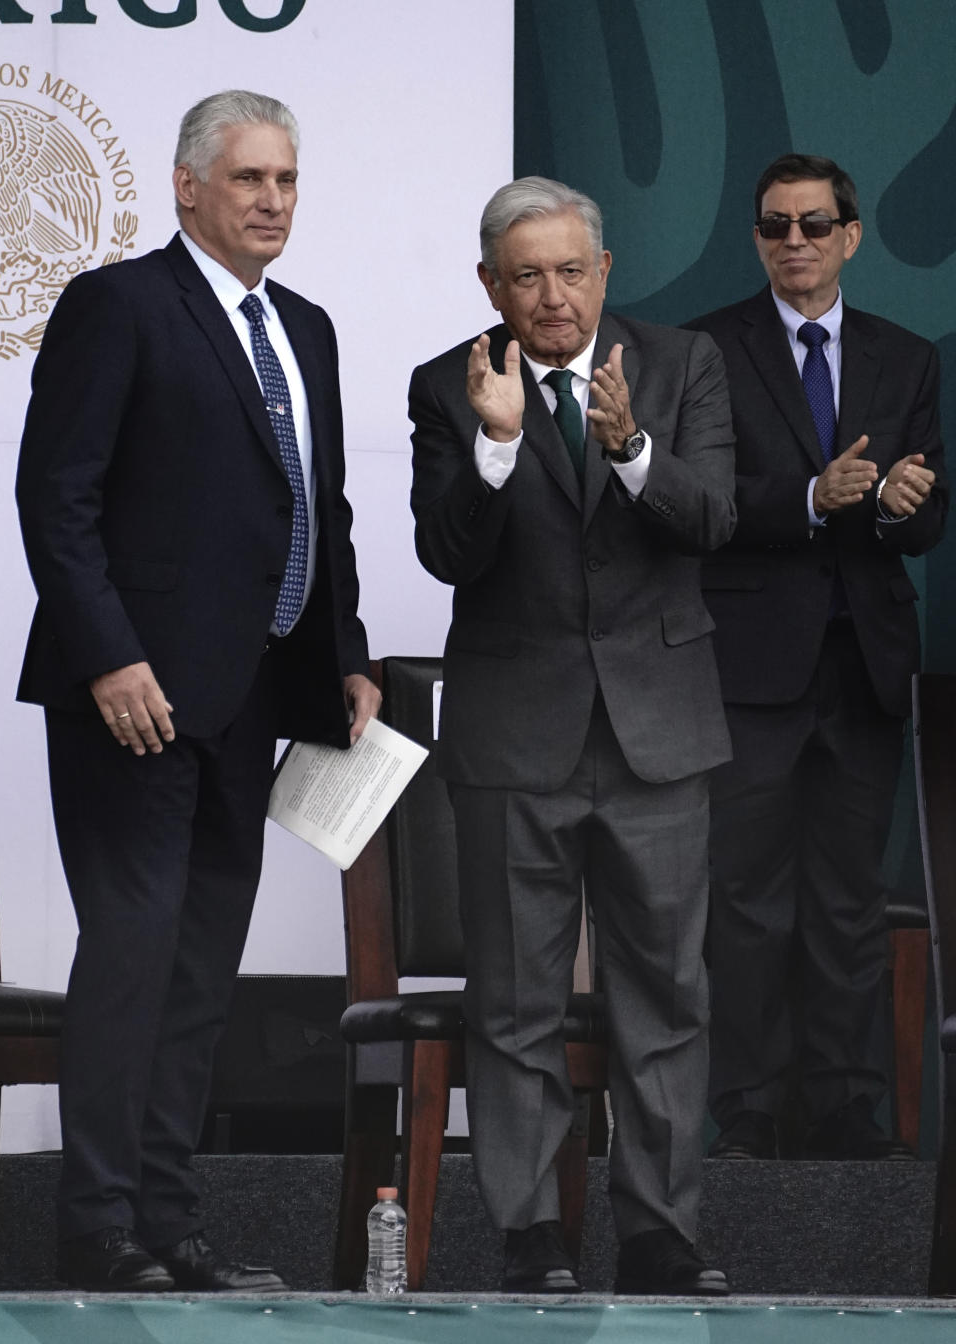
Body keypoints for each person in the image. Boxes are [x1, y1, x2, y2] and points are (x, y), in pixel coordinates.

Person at [15, 89, 380, 1292]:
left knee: (201, 969)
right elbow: (56, 497)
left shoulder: (309, 328)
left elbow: (316, 510)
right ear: (187, 188)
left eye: (285, 180)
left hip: (253, 703)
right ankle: (99, 1228)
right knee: (132, 954)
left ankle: (169, 1226)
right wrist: (111, 656)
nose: (273, 201)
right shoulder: (117, 305)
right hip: (132, 701)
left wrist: (348, 655)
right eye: (248, 181)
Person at [409, 177, 736, 1295]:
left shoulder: (683, 364)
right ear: (492, 284)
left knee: (667, 1000)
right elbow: (448, 555)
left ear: (604, 270)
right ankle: (531, 1236)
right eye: (525, 275)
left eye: (569, 270)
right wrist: (495, 449)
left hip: (660, 735)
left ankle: (659, 1235)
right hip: (515, 742)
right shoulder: (452, 387)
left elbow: (713, 519)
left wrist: (635, 447)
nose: (551, 296)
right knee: (514, 1005)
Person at [687, 153, 948, 1161]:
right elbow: (697, 506)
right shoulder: (708, 349)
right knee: (744, 897)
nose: (794, 241)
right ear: (757, 239)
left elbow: (928, 522)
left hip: (866, 668)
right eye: (775, 226)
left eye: (813, 223)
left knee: (848, 898)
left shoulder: (906, 356)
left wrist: (896, 509)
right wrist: (809, 500)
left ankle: (845, 1105)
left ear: (851, 235)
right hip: (749, 666)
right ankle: (746, 1108)